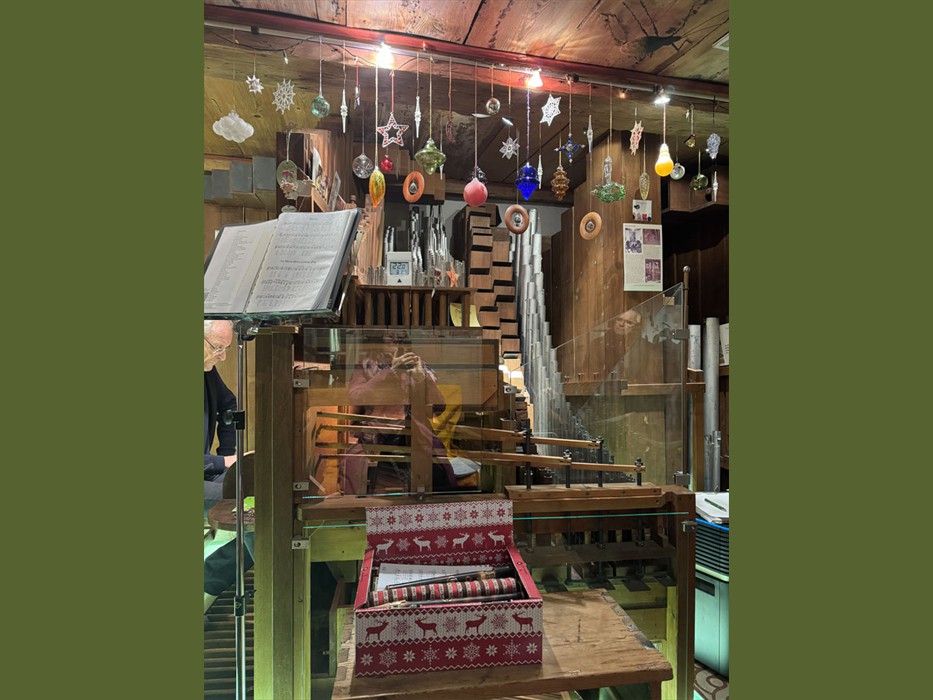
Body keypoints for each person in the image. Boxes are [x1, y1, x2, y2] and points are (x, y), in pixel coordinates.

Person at [339, 332, 459, 495]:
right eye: (391, 339)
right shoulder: (367, 365)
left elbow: (438, 408)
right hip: (376, 433)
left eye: (401, 340)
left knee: (438, 469)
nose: (396, 343)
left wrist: (422, 379)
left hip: (414, 432)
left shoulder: (416, 364)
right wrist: (391, 372)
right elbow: (356, 397)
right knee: (354, 467)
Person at [202, 319, 254, 617]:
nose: (222, 356)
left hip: (207, 470)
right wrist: (224, 463)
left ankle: (210, 578)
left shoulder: (206, 371)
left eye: (225, 349)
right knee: (254, 510)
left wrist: (228, 454)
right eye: (217, 348)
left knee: (259, 497)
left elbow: (229, 406)